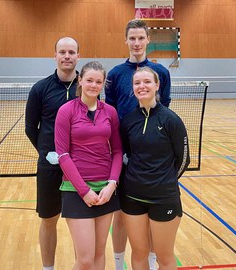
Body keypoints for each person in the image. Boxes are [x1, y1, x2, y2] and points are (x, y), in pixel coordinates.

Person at [104, 18, 171, 270]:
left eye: (141, 38)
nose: (136, 42)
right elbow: (109, 112)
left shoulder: (161, 72)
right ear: (126, 41)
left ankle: (152, 262)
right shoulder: (115, 74)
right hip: (122, 151)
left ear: (147, 40)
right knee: (120, 214)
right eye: (132, 38)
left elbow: (165, 108)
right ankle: (119, 263)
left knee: (152, 212)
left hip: (151, 153)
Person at [54, 61, 123, 269]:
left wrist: (112, 184)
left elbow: (118, 151)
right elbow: (63, 154)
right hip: (76, 190)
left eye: (98, 81)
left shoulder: (110, 112)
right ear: (80, 80)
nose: (93, 85)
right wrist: (84, 191)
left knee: (99, 254)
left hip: (105, 190)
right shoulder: (66, 111)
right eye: (89, 80)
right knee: (85, 260)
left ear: (103, 84)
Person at [120, 67, 189, 270]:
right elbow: (126, 154)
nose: (142, 86)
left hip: (163, 198)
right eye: (137, 83)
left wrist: (165, 179)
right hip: (133, 198)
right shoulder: (129, 121)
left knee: (164, 257)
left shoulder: (171, 120)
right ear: (133, 88)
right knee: (139, 253)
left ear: (157, 85)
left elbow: (183, 159)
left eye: (147, 82)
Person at [25, 36, 80, 270]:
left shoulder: (87, 86)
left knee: (80, 222)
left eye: (71, 52)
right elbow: (30, 128)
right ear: (55, 56)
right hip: (50, 166)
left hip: (81, 167)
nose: (67, 56)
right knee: (48, 220)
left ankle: (84, 265)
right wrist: (47, 151)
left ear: (78, 56)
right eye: (62, 52)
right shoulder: (40, 89)